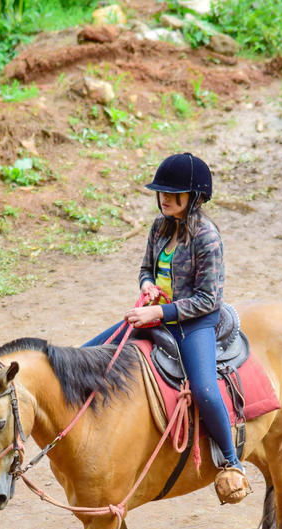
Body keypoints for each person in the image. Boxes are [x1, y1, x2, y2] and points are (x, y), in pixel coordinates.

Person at [84, 152, 251, 504]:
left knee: (205, 388)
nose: (164, 199)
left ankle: (231, 460)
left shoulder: (207, 238)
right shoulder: (159, 228)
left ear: (194, 198)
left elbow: (209, 299)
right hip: (154, 312)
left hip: (195, 324)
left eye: (173, 194)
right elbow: (146, 267)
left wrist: (159, 315)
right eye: (161, 193)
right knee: (89, 354)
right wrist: (147, 285)